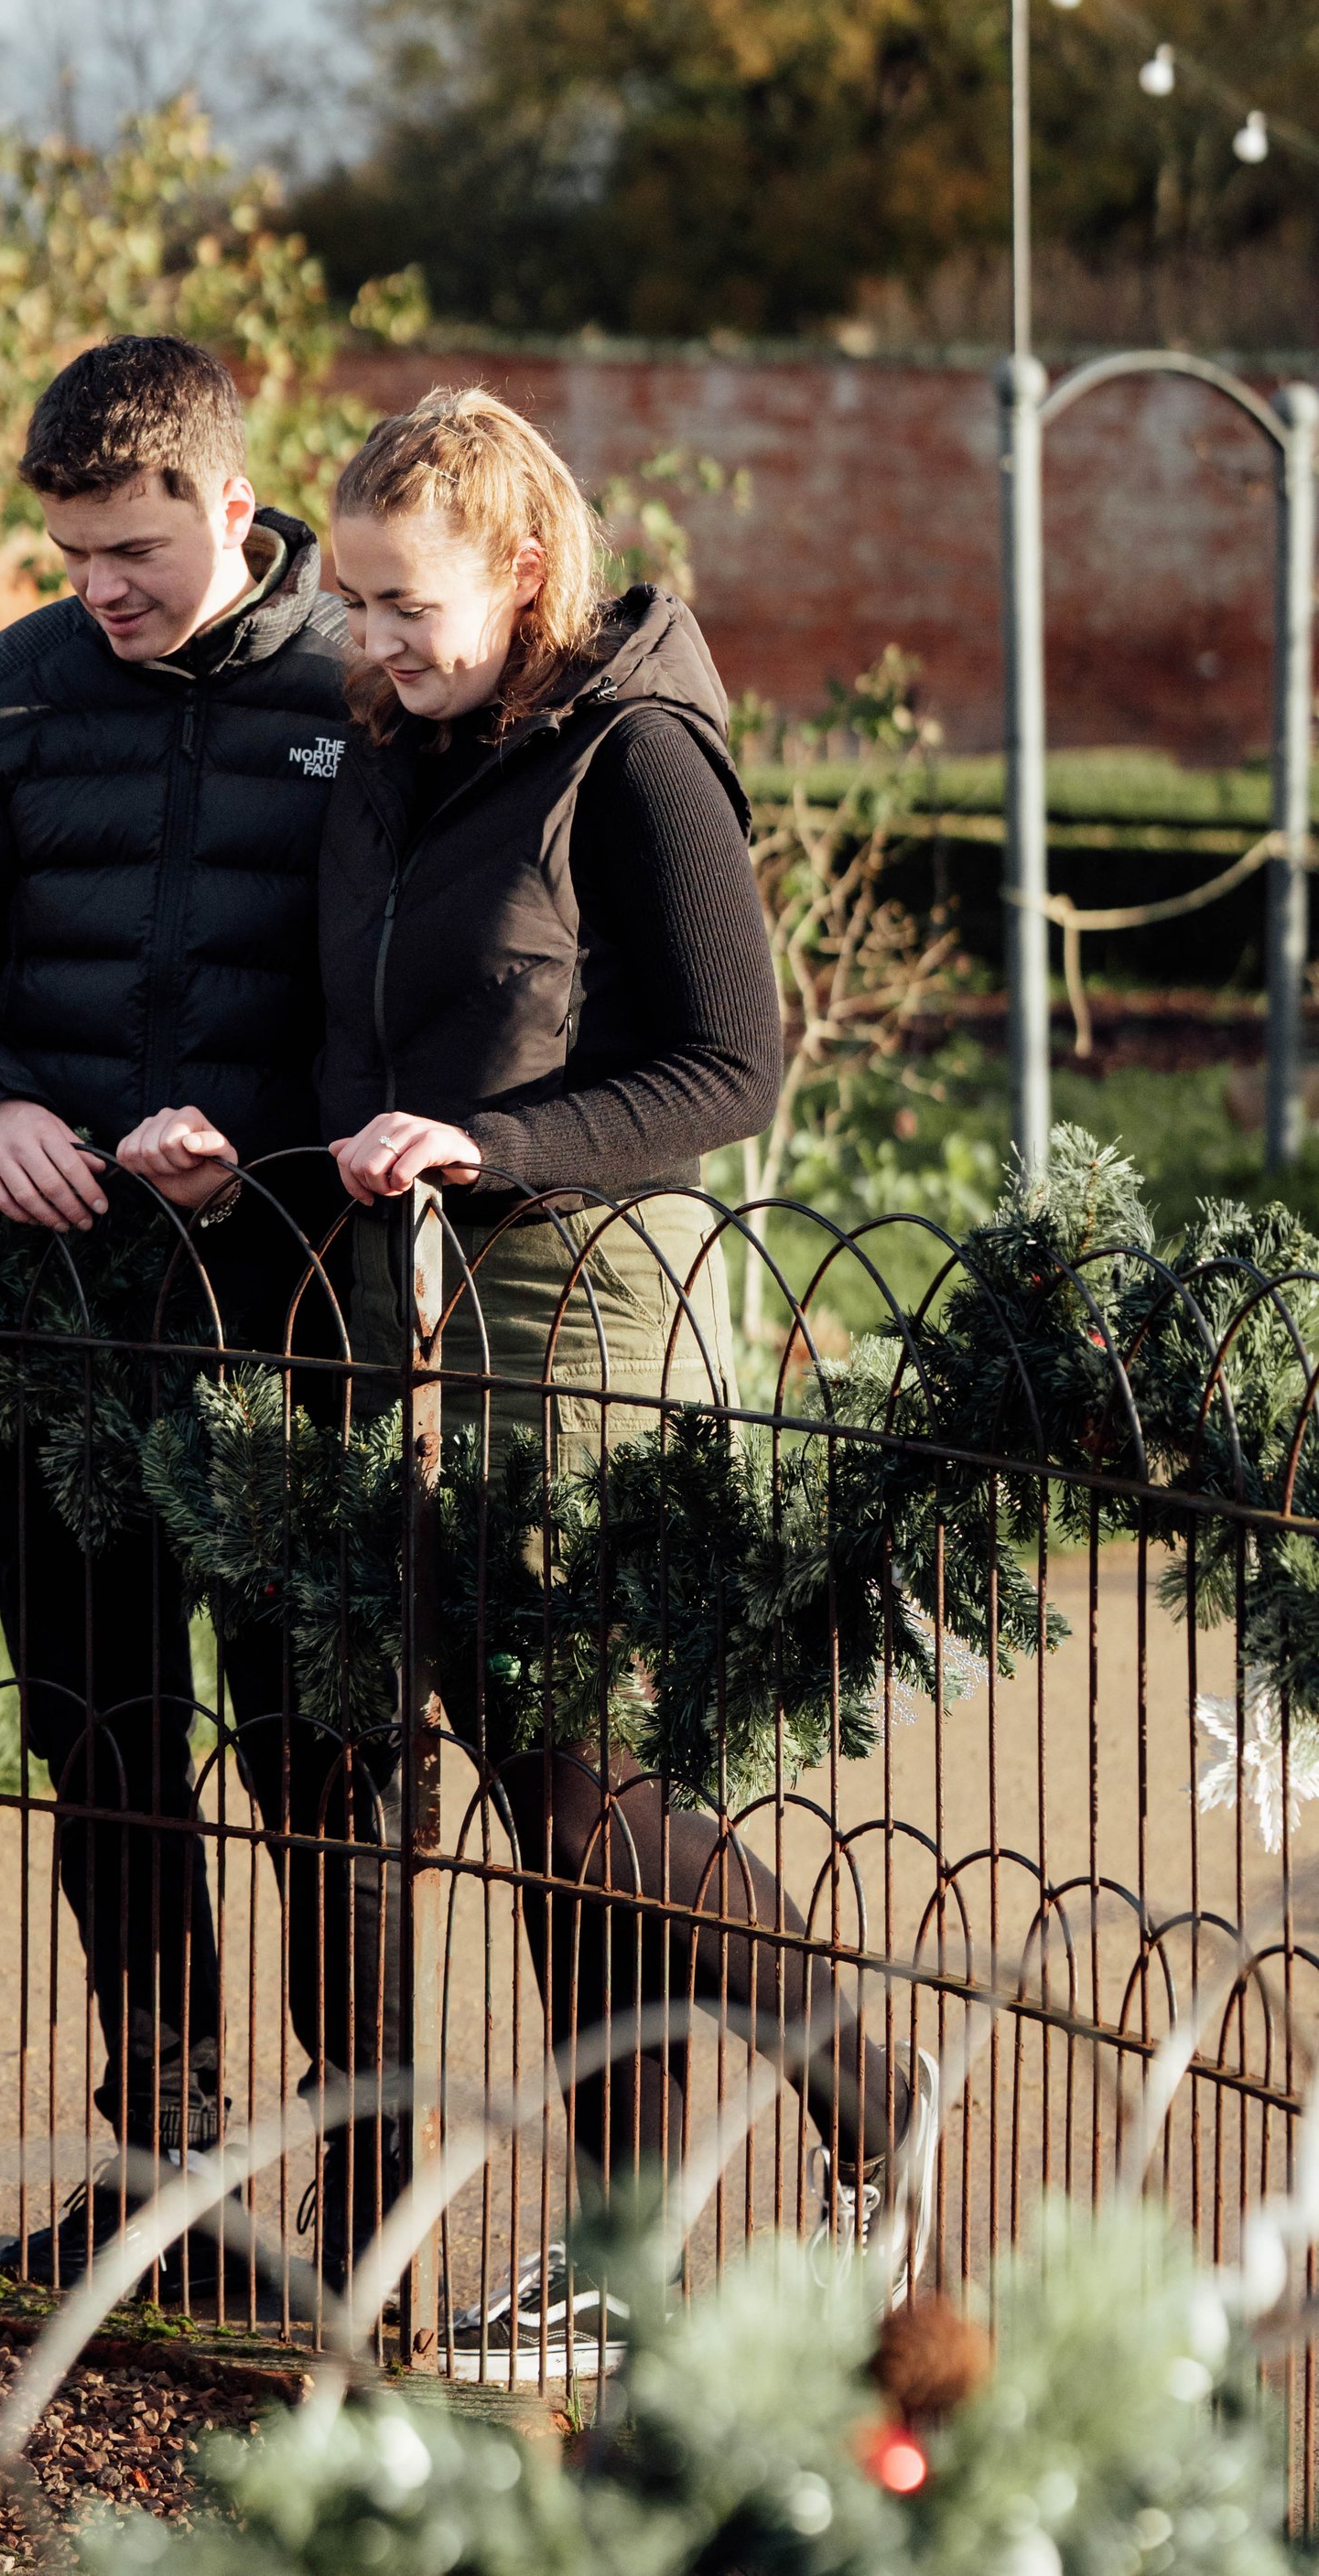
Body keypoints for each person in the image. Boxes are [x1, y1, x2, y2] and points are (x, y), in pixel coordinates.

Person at [309, 385, 940, 2377]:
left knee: (584, 1780)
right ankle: (621, 2255)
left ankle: (868, 2084)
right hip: (421, 1297)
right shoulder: (389, 758)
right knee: (540, 1779)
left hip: (598, 1289)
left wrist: (491, 1146)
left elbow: (731, 1067)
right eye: (348, 602)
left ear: (517, 569)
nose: (371, 644)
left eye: (403, 603)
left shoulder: (635, 749)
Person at [0, 334, 395, 2308]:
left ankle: (365, 2206)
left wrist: (274, 1152)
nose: (100, 589)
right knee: (105, 1744)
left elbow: (439, 994)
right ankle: (169, 2195)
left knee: (324, 1764)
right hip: (59, 1322)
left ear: (230, 506)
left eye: (135, 547)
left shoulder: (372, 683)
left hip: (305, 1318)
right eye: (69, 551)